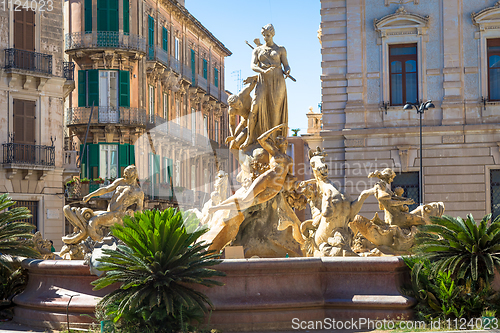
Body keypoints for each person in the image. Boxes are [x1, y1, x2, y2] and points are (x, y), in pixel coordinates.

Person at [209, 123, 292, 213]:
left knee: (248, 203)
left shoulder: (289, 159)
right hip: (266, 178)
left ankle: (216, 208)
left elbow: (289, 175)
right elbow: (261, 139)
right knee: (245, 199)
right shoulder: (274, 152)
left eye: (282, 139)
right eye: (278, 140)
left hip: (277, 186)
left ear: (286, 142)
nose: (281, 141)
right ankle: (218, 207)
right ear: (277, 144)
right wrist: (274, 129)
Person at [62, 165, 144, 244]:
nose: (125, 177)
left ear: (134, 176)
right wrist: (90, 195)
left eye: (127, 176)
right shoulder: (120, 182)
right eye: (125, 175)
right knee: (88, 217)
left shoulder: (138, 192)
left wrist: (133, 213)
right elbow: (105, 189)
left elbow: (140, 209)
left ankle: (101, 242)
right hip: (110, 212)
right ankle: (79, 237)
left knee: (93, 221)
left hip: (118, 215)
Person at [240, 24, 290, 149]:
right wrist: (262, 71)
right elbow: (253, 65)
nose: (266, 38)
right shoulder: (257, 50)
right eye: (264, 35)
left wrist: (288, 70)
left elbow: (286, 65)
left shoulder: (280, 49)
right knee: (255, 106)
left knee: (275, 110)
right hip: (263, 81)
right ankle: (250, 138)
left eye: (268, 35)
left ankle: (272, 140)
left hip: (278, 81)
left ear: (273, 34)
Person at [225, 76, 258, 150]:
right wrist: (233, 135)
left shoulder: (244, 93)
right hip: (245, 121)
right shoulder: (232, 111)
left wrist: (253, 78)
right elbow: (232, 124)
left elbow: (254, 83)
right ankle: (243, 160)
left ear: (239, 98)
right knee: (232, 146)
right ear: (232, 106)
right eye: (236, 106)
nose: (240, 106)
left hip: (255, 115)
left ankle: (249, 139)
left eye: (239, 103)